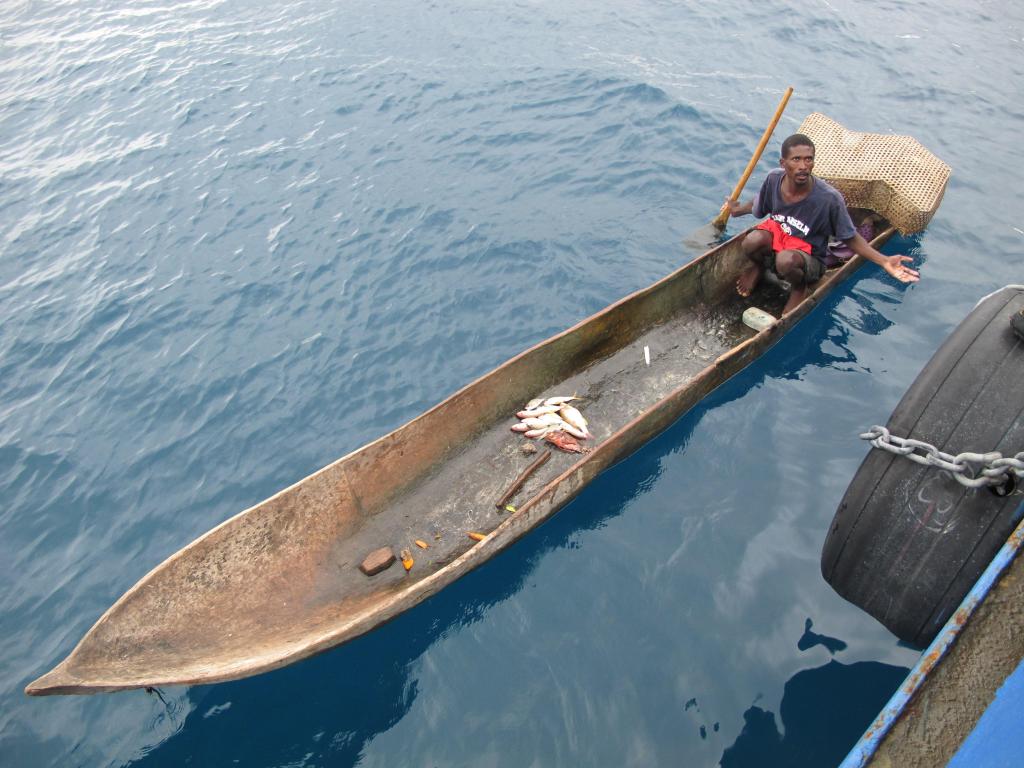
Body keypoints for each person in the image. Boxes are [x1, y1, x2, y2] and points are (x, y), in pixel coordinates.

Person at [726, 133, 919, 314]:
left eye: (808, 159)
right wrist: (738, 210)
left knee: (785, 260)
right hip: (781, 238)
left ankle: (799, 289)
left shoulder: (828, 198)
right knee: (752, 241)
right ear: (783, 163)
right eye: (796, 159)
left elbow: (850, 237)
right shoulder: (774, 178)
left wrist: (884, 260)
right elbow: (758, 203)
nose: (803, 165)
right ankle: (758, 266)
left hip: (807, 255)